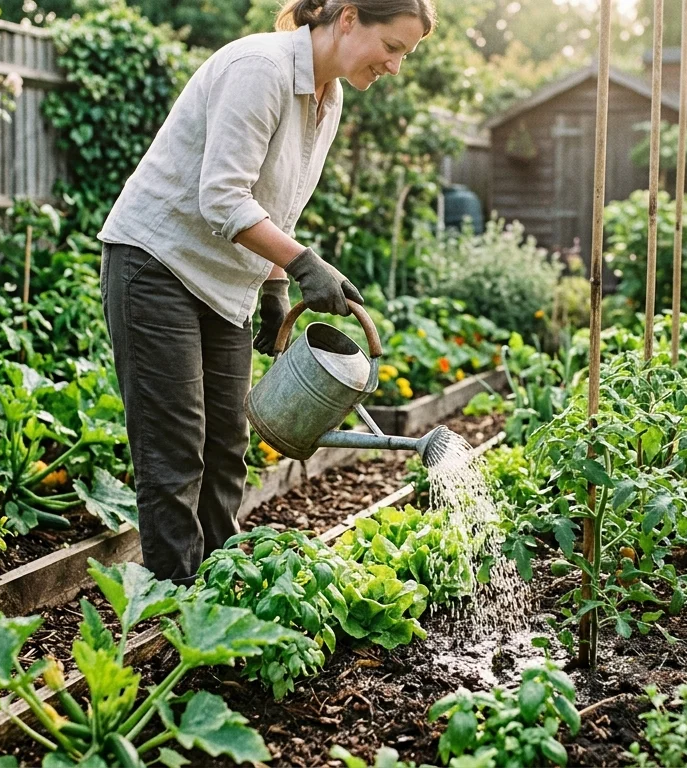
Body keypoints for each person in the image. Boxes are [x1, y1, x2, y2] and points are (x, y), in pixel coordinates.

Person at [98, 0, 434, 584]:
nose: (395, 67)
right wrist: (304, 264)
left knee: (228, 443)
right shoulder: (261, 68)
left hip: (226, 284)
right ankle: (176, 610)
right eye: (393, 47)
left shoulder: (330, 97)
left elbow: (277, 206)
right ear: (349, 17)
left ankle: (222, 589)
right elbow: (222, 198)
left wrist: (277, 285)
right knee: (174, 453)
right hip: (155, 265)